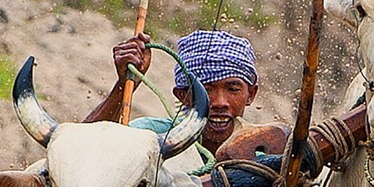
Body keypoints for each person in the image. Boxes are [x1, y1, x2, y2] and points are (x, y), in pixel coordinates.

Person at [85, 28, 264, 160]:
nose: (219, 102)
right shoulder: (153, 135)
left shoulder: (265, 151)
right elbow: (83, 152)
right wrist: (123, 85)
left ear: (251, 94)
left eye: (232, 89)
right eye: (206, 90)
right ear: (182, 96)